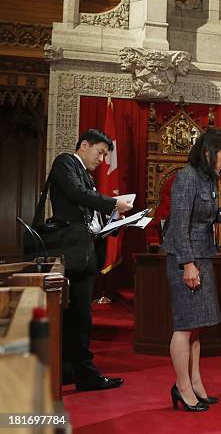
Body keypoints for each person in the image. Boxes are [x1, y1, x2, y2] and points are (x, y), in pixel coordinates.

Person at [49, 129, 133, 391]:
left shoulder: (85, 174)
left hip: (83, 250)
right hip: (72, 251)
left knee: (77, 316)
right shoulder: (66, 162)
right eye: (100, 152)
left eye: (106, 155)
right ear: (84, 145)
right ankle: (85, 375)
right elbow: (77, 194)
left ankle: (69, 370)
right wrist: (113, 203)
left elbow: (89, 212)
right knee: (79, 317)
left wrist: (115, 219)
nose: (102, 159)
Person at [162, 127, 221, 412]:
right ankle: (181, 387)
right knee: (184, 326)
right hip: (187, 259)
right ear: (208, 152)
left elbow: (204, 216)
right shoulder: (187, 178)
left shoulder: (208, 180)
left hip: (203, 255)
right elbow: (179, 225)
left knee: (197, 327)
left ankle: (195, 383)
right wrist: (187, 264)